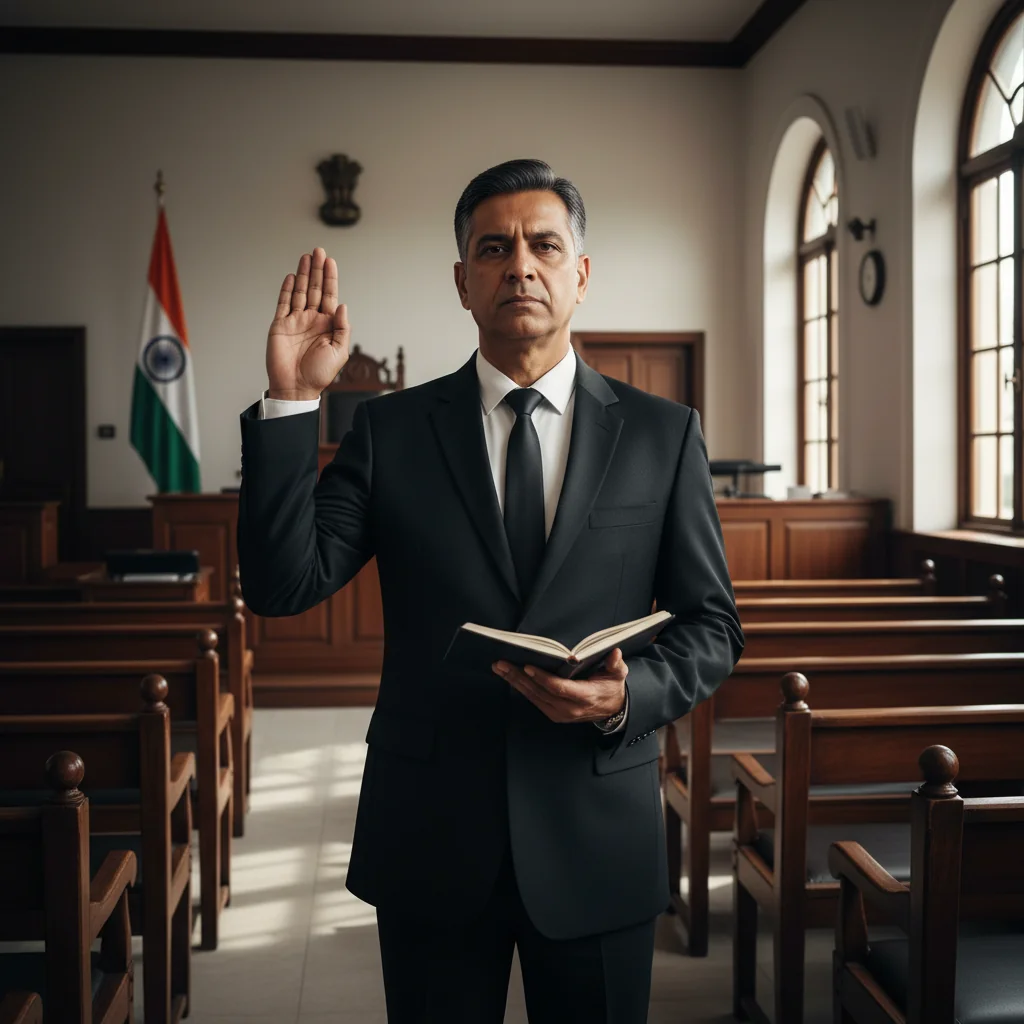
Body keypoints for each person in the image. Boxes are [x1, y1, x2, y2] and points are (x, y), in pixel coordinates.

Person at [237, 158, 743, 1023]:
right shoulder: (390, 432)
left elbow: (712, 626)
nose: (521, 266)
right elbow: (284, 585)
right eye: (494, 248)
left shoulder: (664, 435)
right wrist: (292, 402)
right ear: (463, 282)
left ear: (580, 276)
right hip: (432, 829)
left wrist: (631, 694)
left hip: (597, 826)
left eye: (545, 245)